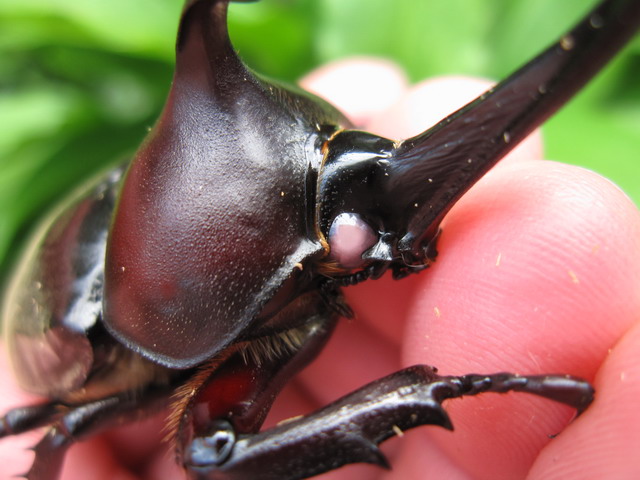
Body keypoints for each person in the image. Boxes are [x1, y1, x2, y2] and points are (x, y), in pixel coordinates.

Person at [1, 59, 639, 480]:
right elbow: (208, 448)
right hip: (102, 334)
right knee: (207, 451)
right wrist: (455, 386)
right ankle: (432, 390)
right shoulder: (170, 285)